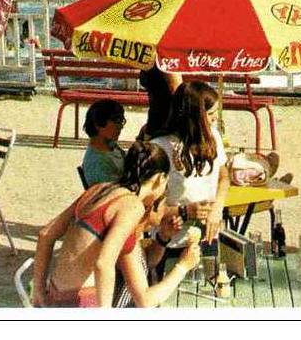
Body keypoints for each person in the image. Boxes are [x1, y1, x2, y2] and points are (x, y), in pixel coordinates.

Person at [31, 141, 200, 307]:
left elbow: (45, 234)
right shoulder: (132, 205)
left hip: (55, 295)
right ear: (160, 179)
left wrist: (38, 292)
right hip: (81, 301)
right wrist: (183, 266)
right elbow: (103, 263)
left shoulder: (98, 190)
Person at [150, 82, 230, 250]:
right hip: (169, 242)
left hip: (207, 237)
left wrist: (217, 208)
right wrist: (184, 212)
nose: (216, 118)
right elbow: (148, 211)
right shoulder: (160, 148)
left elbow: (223, 176)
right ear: (194, 116)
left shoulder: (212, 137)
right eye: (210, 114)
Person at [82, 100, 127, 186]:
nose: (121, 126)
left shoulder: (109, 146)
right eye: (117, 121)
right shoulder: (98, 163)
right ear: (98, 123)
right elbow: (112, 194)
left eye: (122, 121)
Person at [137, 64, 183, 142]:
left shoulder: (166, 60)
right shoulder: (161, 60)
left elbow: (177, 92)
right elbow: (177, 92)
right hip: (162, 124)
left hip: (164, 124)